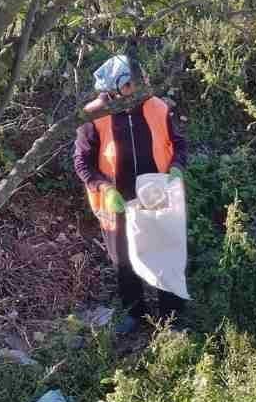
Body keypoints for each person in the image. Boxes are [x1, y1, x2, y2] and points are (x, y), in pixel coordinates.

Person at [74, 52, 188, 334]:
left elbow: (179, 143)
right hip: (117, 201)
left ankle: (171, 316)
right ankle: (134, 314)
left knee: (164, 252)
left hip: (157, 195)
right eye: (129, 84)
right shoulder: (94, 117)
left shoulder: (158, 107)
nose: (136, 87)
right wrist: (103, 187)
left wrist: (176, 167)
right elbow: (81, 162)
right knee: (123, 259)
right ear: (113, 87)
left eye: (139, 80)